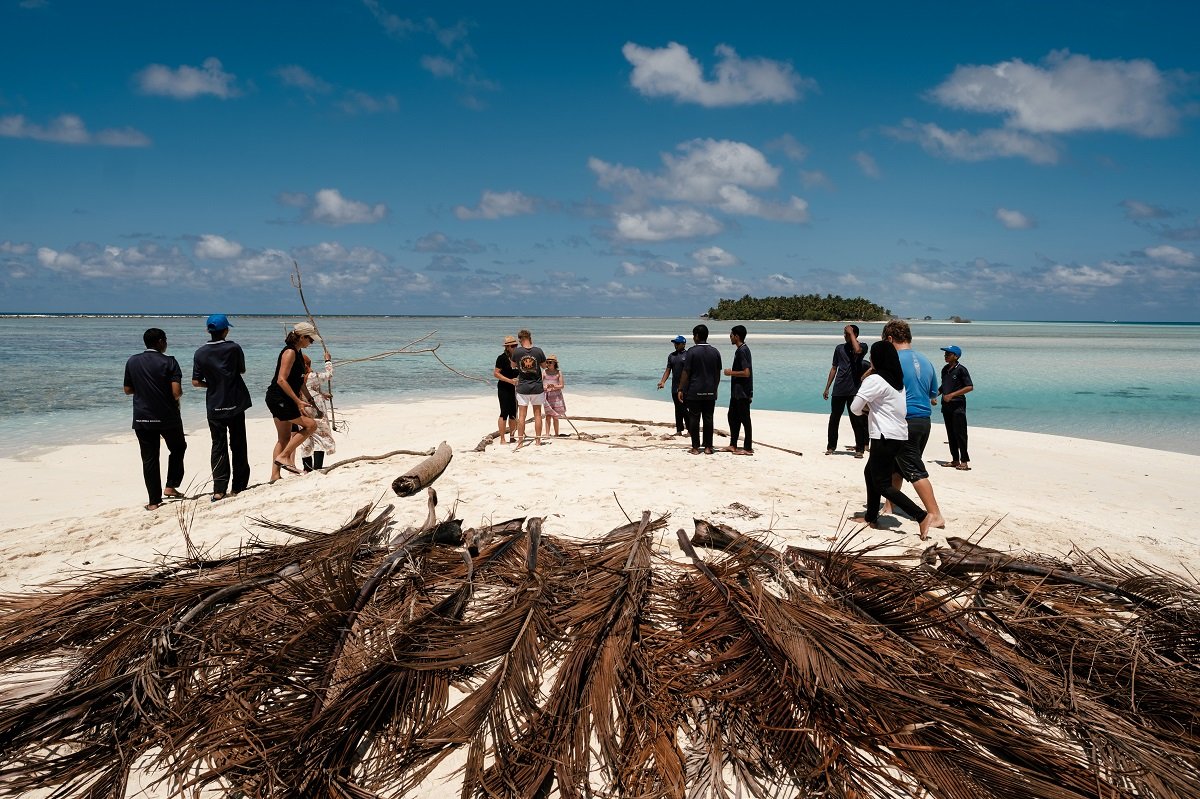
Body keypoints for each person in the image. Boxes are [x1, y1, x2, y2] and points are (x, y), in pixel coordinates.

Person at [850, 340, 933, 538]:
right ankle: (871, 517)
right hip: (898, 435)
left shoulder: (875, 380)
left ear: (877, 359)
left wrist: (870, 409)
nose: (870, 359)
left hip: (883, 435)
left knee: (882, 484)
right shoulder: (897, 382)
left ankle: (921, 516)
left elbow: (855, 407)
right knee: (870, 473)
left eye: (872, 357)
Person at [881, 320, 945, 537]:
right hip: (924, 421)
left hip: (904, 421)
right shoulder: (926, 360)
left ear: (889, 339)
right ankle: (890, 506)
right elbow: (932, 394)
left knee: (914, 469)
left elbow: (883, 390)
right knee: (896, 467)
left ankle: (934, 514)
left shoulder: (893, 360)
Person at [123, 327, 186, 510]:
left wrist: (145, 391)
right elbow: (176, 393)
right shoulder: (170, 362)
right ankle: (171, 484)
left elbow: (127, 390)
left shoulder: (132, 361)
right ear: (160, 342)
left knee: (150, 458)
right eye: (165, 340)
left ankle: (153, 501)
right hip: (167, 416)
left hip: (142, 416)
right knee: (178, 447)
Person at [191, 313, 252, 502]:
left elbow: (195, 382)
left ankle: (219, 489)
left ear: (209, 331)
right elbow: (241, 370)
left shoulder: (200, 352)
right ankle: (239, 486)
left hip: (214, 404)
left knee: (218, 446)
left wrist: (212, 385)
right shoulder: (233, 348)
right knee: (238, 444)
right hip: (235, 401)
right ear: (225, 330)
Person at [265, 322, 318, 480]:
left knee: (284, 438)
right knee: (311, 425)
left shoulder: (299, 352)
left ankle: (275, 475)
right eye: (310, 339)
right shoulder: (289, 353)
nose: (311, 342)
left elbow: (299, 381)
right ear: (302, 337)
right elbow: (281, 380)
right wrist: (297, 401)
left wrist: (309, 399)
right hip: (280, 398)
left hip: (281, 398)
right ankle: (285, 457)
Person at [823, 324, 869, 458]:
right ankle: (831, 447)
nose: (845, 336)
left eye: (847, 333)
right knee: (834, 419)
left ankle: (859, 449)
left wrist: (852, 334)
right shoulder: (839, 348)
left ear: (855, 335)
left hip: (854, 390)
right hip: (838, 389)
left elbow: (857, 350)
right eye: (844, 333)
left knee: (857, 420)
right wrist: (827, 387)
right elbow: (834, 368)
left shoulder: (863, 346)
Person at [677, 323, 722, 455]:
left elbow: (686, 372)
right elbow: (717, 374)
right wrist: (715, 387)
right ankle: (708, 447)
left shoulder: (692, 352)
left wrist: (680, 388)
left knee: (694, 418)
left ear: (697, 336)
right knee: (708, 418)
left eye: (693, 335)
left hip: (694, 391)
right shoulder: (715, 352)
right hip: (710, 390)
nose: (693, 338)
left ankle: (695, 447)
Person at [298, 349, 336, 472]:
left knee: (306, 436)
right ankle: (318, 467)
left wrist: (322, 394)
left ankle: (307, 468)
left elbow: (309, 389)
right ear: (306, 365)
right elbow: (329, 375)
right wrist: (328, 360)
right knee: (320, 435)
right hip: (316, 407)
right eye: (309, 364)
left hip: (302, 406)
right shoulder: (312, 376)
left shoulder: (296, 378)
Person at [939, 345, 974, 470]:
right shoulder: (944, 369)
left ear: (956, 356)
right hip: (946, 406)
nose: (945, 356)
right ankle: (955, 460)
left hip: (958, 405)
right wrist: (934, 395)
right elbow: (943, 386)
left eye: (948, 354)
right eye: (945, 354)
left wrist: (952, 395)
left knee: (960, 433)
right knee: (950, 433)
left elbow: (969, 387)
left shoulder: (961, 370)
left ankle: (964, 461)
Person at [511, 328, 547, 447]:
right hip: (537, 387)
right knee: (538, 415)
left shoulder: (517, 352)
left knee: (522, 416)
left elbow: (513, 365)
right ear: (530, 338)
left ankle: (520, 442)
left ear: (521, 339)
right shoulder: (538, 351)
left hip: (523, 388)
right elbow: (544, 366)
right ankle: (538, 441)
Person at [723, 325, 753, 455]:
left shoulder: (742, 351)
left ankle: (747, 447)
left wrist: (731, 373)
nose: (730, 337)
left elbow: (747, 373)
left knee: (745, 419)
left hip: (742, 392)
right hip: (736, 392)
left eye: (731, 335)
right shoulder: (740, 350)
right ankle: (733, 444)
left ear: (737, 336)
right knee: (732, 417)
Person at [656, 335, 690, 436]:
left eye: (677, 343)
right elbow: (668, 370)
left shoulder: (688, 355)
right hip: (674, 387)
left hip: (685, 387)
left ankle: (690, 430)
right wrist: (663, 381)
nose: (675, 345)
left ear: (683, 344)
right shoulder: (671, 356)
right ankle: (679, 430)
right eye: (675, 343)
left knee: (684, 409)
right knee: (677, 408)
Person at [494, 335, 520, 444]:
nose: (515, 347)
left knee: (513, 413)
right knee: (504, 412)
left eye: (516, 345)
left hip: (515, 388)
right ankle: (502, 439)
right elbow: (496, 373)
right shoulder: (502, 358)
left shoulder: (518, 358)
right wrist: (509, 381)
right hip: (504, 388)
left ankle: (512, 436)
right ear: (507, 347)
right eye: (512, 346)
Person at [542, 354, 567, 437]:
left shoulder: (558, 372)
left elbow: (562, 385)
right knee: (548, 416)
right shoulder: (544, 372)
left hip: (556, 396)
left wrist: (553, 386)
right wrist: (545, 387)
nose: (548, 364)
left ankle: (556, 434)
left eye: (550, 362)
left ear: (554, 363)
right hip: (547, 396)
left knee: (556, 416)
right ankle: (547, 433)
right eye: (547, 362)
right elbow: (540, 384)